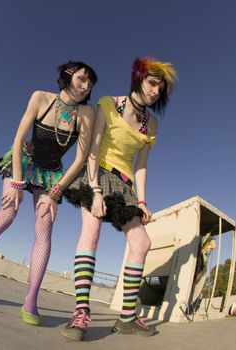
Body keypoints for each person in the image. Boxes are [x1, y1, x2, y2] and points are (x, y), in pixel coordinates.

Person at [0, 61, 98, 326]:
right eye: (82, 79)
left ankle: (30, 300)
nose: (86, 87)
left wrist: (55, 193)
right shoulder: (40, 97)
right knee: (7, 213)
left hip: (52, 175)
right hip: (24, 161)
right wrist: (17, 184)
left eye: (90, 84)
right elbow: (18, 139)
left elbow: (81, 158)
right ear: (67, 76)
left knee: (45, 227)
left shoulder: (86, 114)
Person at [61, 57, 177, 340]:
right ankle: (81, 313)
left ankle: (127, 316)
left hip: (125, 185)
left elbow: (140, 166)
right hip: (97, 172)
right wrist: (95, 190)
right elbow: (93, 146)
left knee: (142, 242)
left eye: (160, 89)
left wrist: (142, 201)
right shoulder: (108, 103)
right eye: (152, 83)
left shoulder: (152, 124)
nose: (154, 91)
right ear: (139, 79)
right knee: (91, 230)